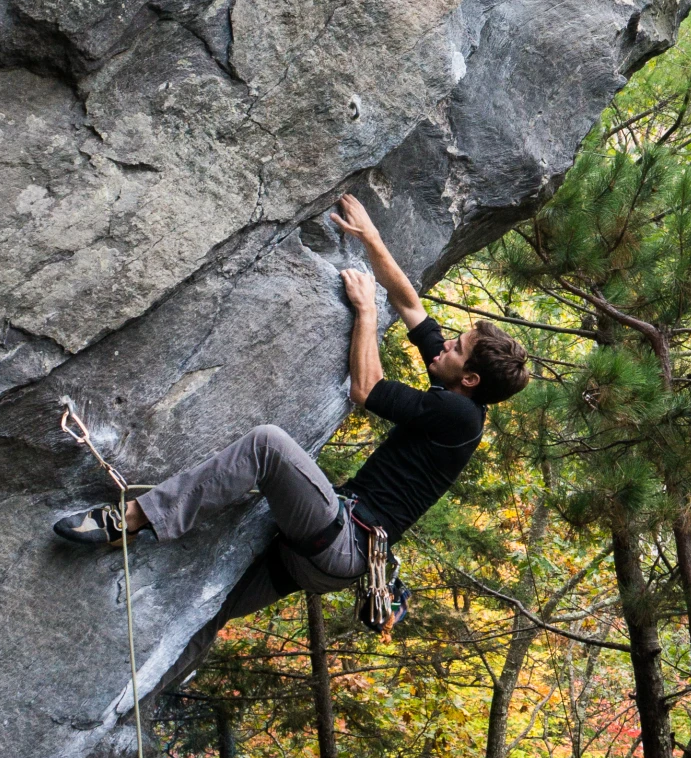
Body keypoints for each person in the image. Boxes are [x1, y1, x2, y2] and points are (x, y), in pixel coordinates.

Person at [52, 195, 530, 617]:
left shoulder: (459, 414)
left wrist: (365, 312)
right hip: (332, 556)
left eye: (456, 347)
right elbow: (410, 306)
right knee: (210, 616)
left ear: (469, 378)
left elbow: (366, 389)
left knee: (268, 445)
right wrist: (371, 238)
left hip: (342, 541)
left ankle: (130, 520)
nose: (444, 343)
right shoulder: (460, 396)